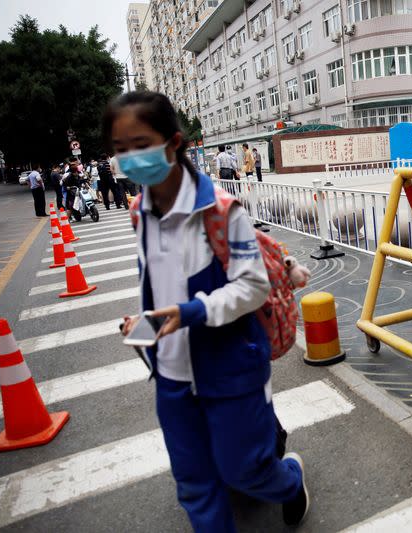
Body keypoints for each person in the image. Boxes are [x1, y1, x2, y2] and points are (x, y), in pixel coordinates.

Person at [106, 91, 308, 532]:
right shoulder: (139, 211)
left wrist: (192, 312)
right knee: (195, 486)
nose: (131, 159)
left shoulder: (219, 211)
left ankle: (291, 481)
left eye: (141, 145)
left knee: (246, 472)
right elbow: (156, 289)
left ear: (174, 142)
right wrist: (141, 325)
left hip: (230, 367)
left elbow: (253, 287)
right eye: (121, 150)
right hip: (173, 378)